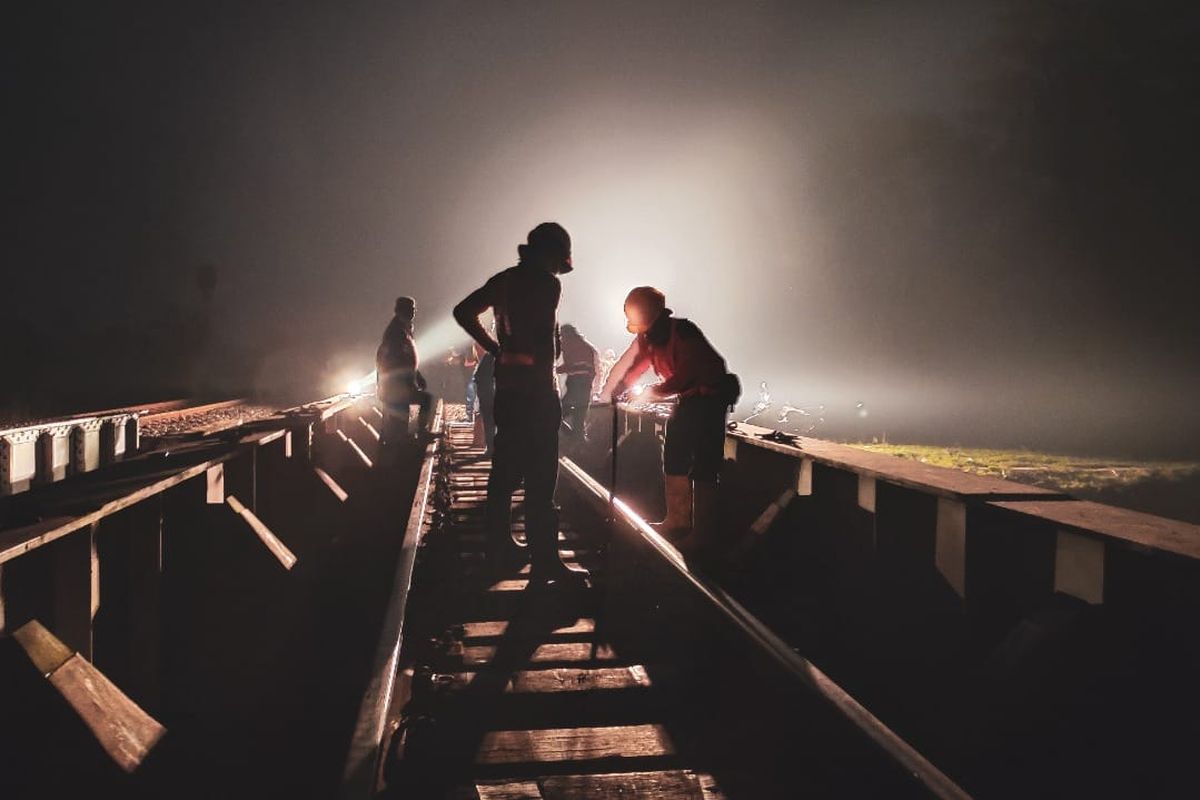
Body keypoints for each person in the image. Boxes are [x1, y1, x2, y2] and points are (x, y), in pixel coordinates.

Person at [453, 222, 588, 586]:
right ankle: (545, 563)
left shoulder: (503, 280)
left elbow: (463, 311)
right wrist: (534, 358)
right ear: (552, 254)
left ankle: (500, 551)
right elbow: (543, 338)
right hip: (538, 396)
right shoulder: (548, 284)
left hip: (508, 394)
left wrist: (497, 348)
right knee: (541, 480)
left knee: (503, 475)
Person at [598, 286, 740, 555]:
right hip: (687, 399)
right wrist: (619, 389)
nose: (643, 333)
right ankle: (677, 520)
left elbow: (687, 374)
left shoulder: (683, 332)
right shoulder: (648, 339)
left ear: (659, 317)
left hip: (711, 397)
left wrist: (653, 393)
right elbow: (633, 367)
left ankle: (702, 535)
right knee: (674, 454)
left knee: (704, 464)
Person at [376, 296, 433, 446]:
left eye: (414, 309)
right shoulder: (396, 331)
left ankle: (405, 440)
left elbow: (407, 358)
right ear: (401, 310)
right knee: (401, 414)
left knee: (404, 413)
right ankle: (401, 445)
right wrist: (409, 381)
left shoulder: (404, 328)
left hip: (400, 383)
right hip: (395, 385)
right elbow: (396, 360)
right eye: (410, 309)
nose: (413, 312)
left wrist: (417, 375)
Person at [557, 323, 598, 444]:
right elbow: (590, 369)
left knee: (557, 414)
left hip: (576, 384)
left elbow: (572, 366)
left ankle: (574, 440)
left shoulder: (569, 344)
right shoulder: (586, 346)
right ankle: (579, 445)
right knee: (579, 420)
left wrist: (555, 370)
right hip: (584, 385)